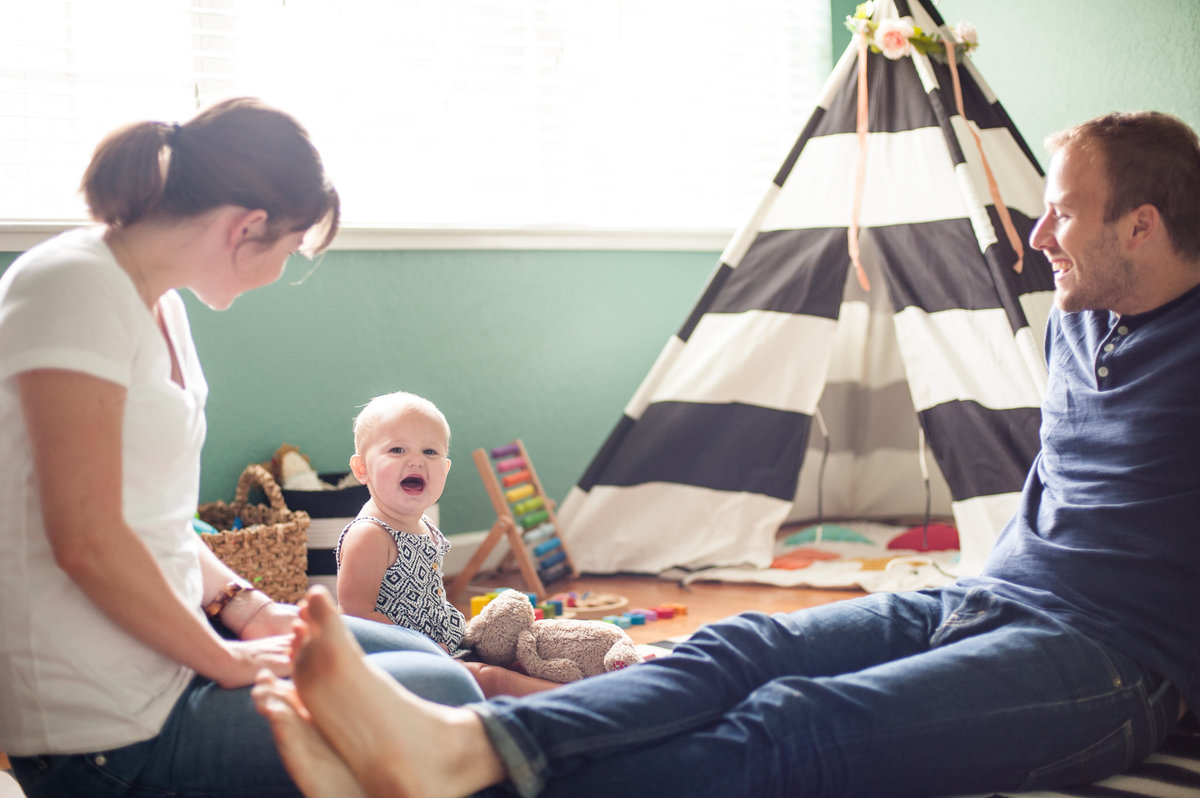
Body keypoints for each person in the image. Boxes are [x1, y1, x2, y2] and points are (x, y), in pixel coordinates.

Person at [252, 108, 1200, 798]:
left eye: (1061, 213)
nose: (1036, 238)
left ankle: (477, 782)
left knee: (800, 725)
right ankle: (468, 744)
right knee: (745, 645)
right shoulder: (1078, 325)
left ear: (1142, 226)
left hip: (1110, 658)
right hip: (988, 595)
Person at [0, 98, 482, 798]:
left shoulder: (158, 300)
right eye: (287, 250)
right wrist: (227, 661)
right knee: (443, 702)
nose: (282, 268)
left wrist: (245, 608)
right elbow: (86, 541)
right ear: (247, 227)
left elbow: (154, 515)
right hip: (109, 728)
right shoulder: (69, 288)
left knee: (433, 664)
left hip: (174, 657)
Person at [337, 391, 466, 653]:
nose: (417, 460)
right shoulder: (370, 535)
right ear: (362, 469)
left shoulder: (423, 524)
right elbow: (356, 616)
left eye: (430, 451)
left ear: (446, 469)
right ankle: (570, 694)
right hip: (402, 655)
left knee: (516, 649)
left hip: (441, 644)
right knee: (492, 677)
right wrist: (424, 648)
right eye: (397, 449)